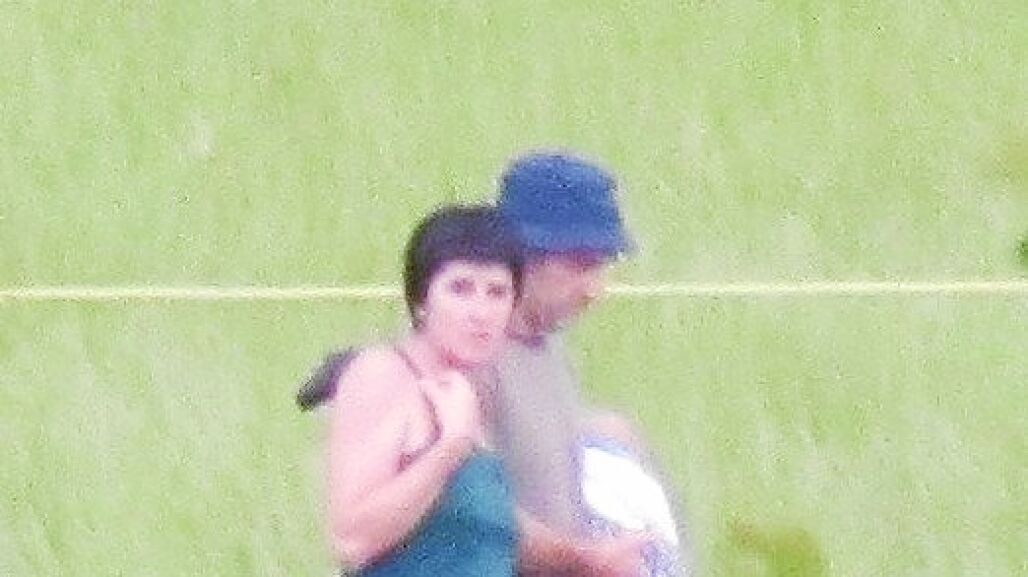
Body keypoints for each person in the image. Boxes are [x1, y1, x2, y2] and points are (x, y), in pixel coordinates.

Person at [489, 151, 690, 577]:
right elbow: (468, 514)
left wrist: (599, 435)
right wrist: (584, 558)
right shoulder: (465, 360)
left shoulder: (545, 346)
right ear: (521, 254)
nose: (594, 291)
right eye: (581, 266)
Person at [313, 204, 525, 576]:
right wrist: (451, 447)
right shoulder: (384, 374)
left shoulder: (467, 390)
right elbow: (352, 539)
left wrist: (587, 558)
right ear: (421, 300)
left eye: (497, 293)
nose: (480, 312)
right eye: (460, 289)